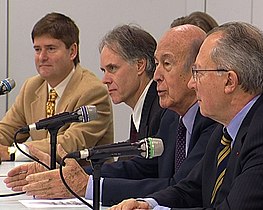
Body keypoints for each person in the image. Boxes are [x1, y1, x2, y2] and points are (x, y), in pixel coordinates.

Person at [5, 24, 218, 206]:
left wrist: (86, 185)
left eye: (112, 68)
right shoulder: (173, 116)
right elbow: (144, 166)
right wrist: (69, 174)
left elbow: (183, 189)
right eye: (157, 63)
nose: (157, 75)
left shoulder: (205, 117)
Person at [110, 22, 263, 210]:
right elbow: (189, 190)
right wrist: (147, 205)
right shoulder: (224, 132)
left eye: (198, 72)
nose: (192, 84)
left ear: (229, 81)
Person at [0, 12, 113, 161]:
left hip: (82, 180)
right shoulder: (31, 87)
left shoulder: (93, 91)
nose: (42, 57)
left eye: (51, 48)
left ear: (72, 51)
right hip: (38, 177)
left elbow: (70, 144)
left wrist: (12, 152)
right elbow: (7, 131)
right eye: (37, 49)